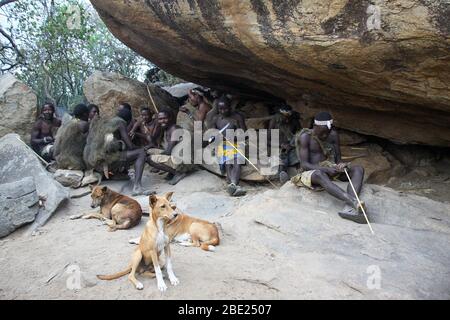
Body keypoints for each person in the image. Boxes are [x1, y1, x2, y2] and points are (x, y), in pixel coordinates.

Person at [293, 111, 367, 223]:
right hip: (312, 173)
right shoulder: (305, 137)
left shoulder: (332, 134)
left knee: (358, 169)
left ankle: (350, 209)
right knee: (319, 174)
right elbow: (305, 164)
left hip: (330, 169)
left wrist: (342, 165)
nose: (325, 135)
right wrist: (325, 169)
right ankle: (354, 202)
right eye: (322, 132)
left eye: (327, 132)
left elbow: (338, 160)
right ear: (315, 126)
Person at [214, 95, 247, 196]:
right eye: (220, 109)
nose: (223, 111)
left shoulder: (237, 117)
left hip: (237, 143)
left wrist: (233, 138)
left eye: (225, 108)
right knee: (228, 161)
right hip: (222, 145)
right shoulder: (216, 119)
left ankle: (233, 184)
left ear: (230, 107)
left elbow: (245, 134)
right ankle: (234, 185)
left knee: (237, 160)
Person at [146, 108, 189, 185]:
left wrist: (156, 162)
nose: (162, 121)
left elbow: (168, 151)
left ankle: (177, 173)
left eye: (164, 118)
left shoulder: (174, 129)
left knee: (149, 159)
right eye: (160, 119)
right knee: (148, 151)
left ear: (170, 118)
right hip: (177, 157)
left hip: (183, 162)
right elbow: (153, 138)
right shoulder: (167, 128)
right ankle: (171, 172)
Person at [268, 104, 302, 184]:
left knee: (298, 157)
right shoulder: (274, 121)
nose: (285, 119)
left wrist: (293, 145)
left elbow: (301, 136)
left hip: (291, 147)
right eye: (283, 116)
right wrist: (281, 145)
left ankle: (300, 175)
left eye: (287, 117)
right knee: (282, 158)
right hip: (278, 147)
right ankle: (282, 176)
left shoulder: (294, 122)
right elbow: (267, 141)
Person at [53, 103, 90, 170]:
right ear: (85, 114)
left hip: (61, 159)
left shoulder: (69, 123)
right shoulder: (84, 124)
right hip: (75, 161)